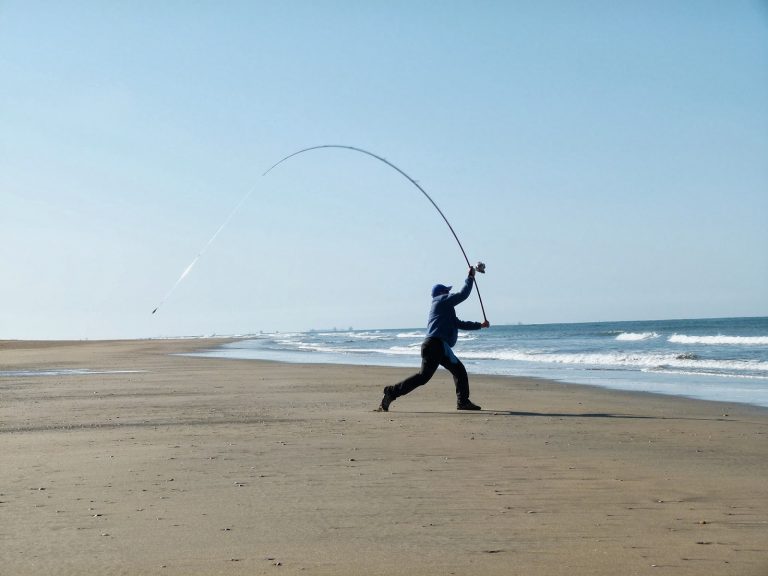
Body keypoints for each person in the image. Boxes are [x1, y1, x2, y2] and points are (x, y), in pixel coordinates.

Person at [377, 266, 490, 412]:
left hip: (439, 346)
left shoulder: (444, 309)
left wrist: (479, 325)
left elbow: (459, 323)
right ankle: (391, 392)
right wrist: (470, 277)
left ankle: (463, 402)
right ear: (442, 293)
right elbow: (463, 295)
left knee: (458, 371)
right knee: (424, 377)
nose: (449, 293)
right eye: (447, 291)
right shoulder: (441, 301)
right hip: (434, 346)